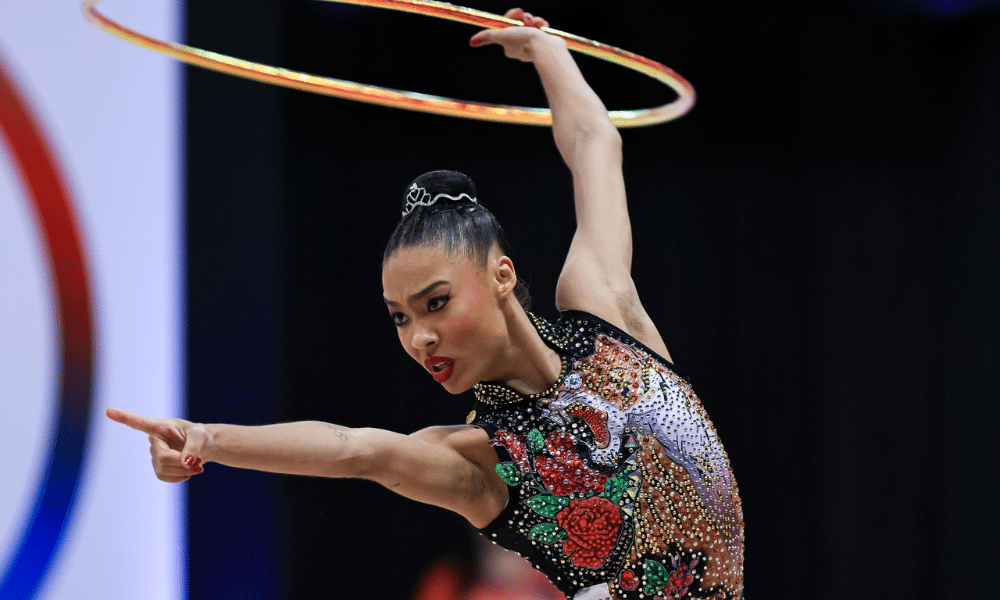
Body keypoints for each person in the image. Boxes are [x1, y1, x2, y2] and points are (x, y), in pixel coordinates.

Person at [108, 8, 745, 600]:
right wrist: (207, 438)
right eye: (400, 318)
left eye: (435, 303)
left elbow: (595, 143)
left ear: (502, 275)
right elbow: (355, 449)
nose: (419, 337)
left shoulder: (601, 307)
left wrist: (547, 51)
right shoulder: (482, 463)